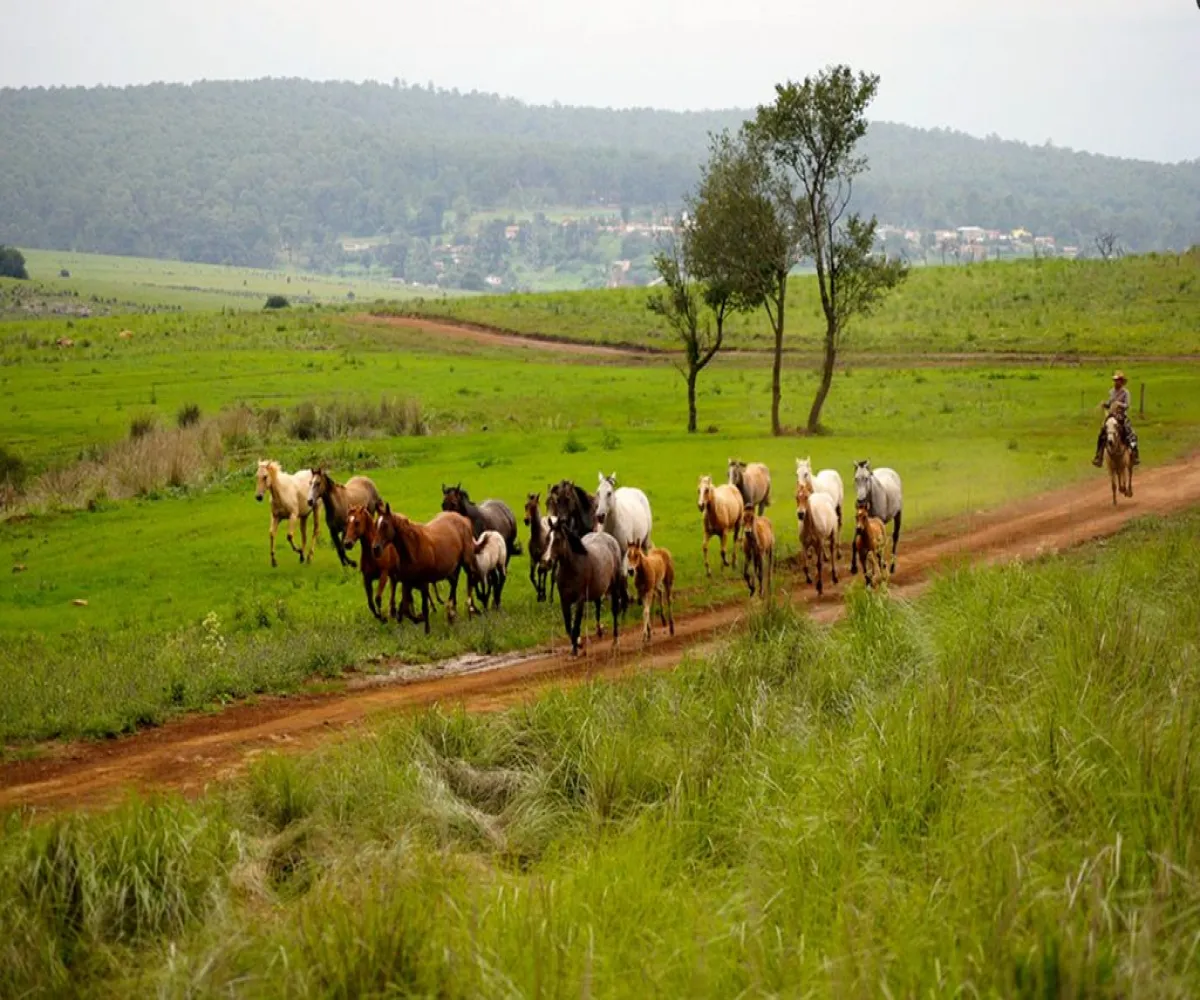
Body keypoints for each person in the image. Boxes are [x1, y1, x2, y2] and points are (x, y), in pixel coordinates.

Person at [1092, 370, 1139, 467]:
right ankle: (1099, 456)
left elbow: (1127, 405)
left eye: (1118, 380)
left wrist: (1119, 404)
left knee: (1131, 433)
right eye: (1115, 380)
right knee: (1102, 433)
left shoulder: (1126, 393)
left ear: (1122, 382)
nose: (1116, 382)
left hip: (1121, 416)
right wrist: (1104, 404)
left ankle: (1134, 455)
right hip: (1112, 415)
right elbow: (1110, 404)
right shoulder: (1112, 392)